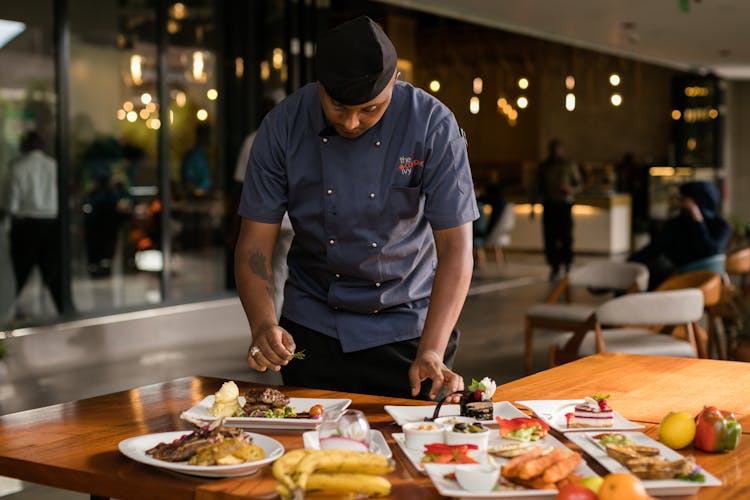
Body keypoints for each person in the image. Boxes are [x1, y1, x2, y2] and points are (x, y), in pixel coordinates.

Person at [235, 15, 478, 401]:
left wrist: (432, 348)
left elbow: (456, 248)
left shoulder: (432, 125)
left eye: (369, 109)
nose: (351, 122)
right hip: (313, 328)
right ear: (320, 86)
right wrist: (263, 323)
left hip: (410, 328)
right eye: (337, 105)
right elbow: (254, 246)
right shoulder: (282, 126)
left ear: (394, 82)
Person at [233, 90, 292, 319]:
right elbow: (240, 185)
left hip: (276, 222)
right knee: (277, 275)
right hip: (275, 221)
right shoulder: (293, 139)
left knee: (273, 275)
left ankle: (273, 330)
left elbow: (239, 184)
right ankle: (272, 330)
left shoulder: (254, 139)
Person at [630, 180, 732, 289]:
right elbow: (654, 248)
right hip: (685, 281)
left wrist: (697, 221)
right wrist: (629, 263)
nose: (681, 203)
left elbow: (710, 251)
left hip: (693, 284)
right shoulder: (676, 224)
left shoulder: (721, 226)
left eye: (684, 199)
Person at [6, 130, 63, 313]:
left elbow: (12, 204)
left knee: (19, 273)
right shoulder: (53, 166)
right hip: (51, 224)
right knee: (53, 272)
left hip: (27, 225)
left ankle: (5, 311)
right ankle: (64, 309)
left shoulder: (17, 166)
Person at [531, 139, 582, 281]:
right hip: (549, 205)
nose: (555, 152)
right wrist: (533, 205)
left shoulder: (569, 165)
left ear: (562, 150)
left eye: (557, 149)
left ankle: (568, 264)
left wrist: (570, 190)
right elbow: (536, 187)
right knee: (550, 237)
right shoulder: (544, 167)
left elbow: (579, 185)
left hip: (564, 205)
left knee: (566, 236)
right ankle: (554, 266)